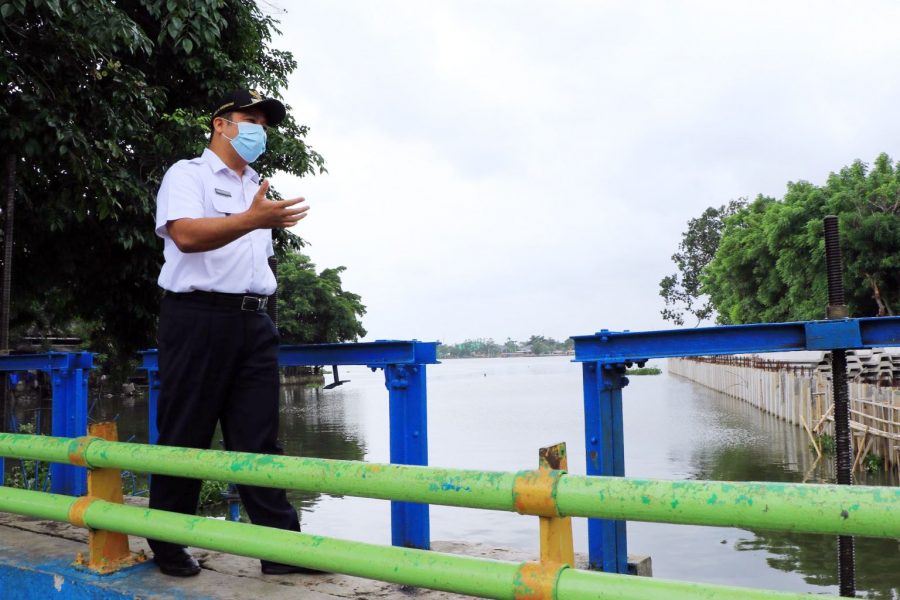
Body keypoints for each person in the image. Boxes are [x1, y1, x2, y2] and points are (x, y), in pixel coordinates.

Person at [149, 90, 318, 577]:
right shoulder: (188, 174)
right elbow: (184, 235)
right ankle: (169, 543)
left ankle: (282, 551)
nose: (259, 131)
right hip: (198, 316)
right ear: (220, 124)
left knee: (261, 440)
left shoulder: (255, 188)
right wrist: (253, 219)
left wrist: (256, 219)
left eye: (265, 124)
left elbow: (254, 261)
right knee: (186, 434)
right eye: (250, 120)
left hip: (255, 320)